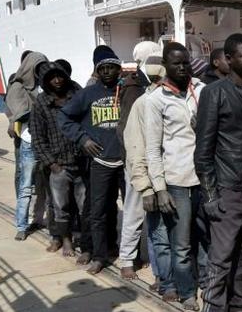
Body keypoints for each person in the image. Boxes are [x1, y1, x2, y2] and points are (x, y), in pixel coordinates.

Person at [195, 33, 242, 312]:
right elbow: (203, 149)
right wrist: (210, 195)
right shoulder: (214, 92)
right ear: (229, 59)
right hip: (227, 189)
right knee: (220, 262)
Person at [145, 43, 205, 310]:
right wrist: (159, 188)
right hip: (177, 182)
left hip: (203, 179)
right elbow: (152, 148)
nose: (182, 67)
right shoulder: (156, 100)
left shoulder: (201, 90)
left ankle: (207, 285)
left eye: (185, 62)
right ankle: (187, 292)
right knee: (180, 246)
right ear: (166, 66)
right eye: (176, 63)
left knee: (206, 240)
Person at [58, 45, 123, 275]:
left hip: (125, 161)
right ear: (97, 71)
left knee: (127, 211)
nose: (106, 72)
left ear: (118, 69)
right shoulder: (87, 94)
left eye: (111, 68)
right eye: (102, 68)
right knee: (97, 210)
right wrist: (82, 139)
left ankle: (119, 250)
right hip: (100, 162)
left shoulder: (126, 91)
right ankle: (98, 255)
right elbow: (64, 117)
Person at [31, 61, 88, 258]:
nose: (57, 80)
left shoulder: (77, 94)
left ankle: (86, 243)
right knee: (60, 206)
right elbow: (37, 137)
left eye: (60, 76)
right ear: (45, 81)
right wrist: (52, 164)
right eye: (52, 77)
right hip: (58, 165)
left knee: (84, 205)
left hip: (80, 162)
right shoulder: (41, 102)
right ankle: (65, 240)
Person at [121, 53, 167, 293]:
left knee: (157, 222)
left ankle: (161, 270)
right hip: (139, 167)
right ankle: (127, 259)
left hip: (161, 169)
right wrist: (140, 177)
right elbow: (134, 142)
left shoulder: (167, 99)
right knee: (135, 213)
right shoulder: (142, 102)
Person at [5, 51, 48, 241]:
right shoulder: (18, 86)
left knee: (47, 185)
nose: (40, 70)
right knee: (25, 185)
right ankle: (21, 225)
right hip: (29, 142)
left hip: (47, 142)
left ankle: (39, 219)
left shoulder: (46, 85)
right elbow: (17, 112)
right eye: (37, 67)